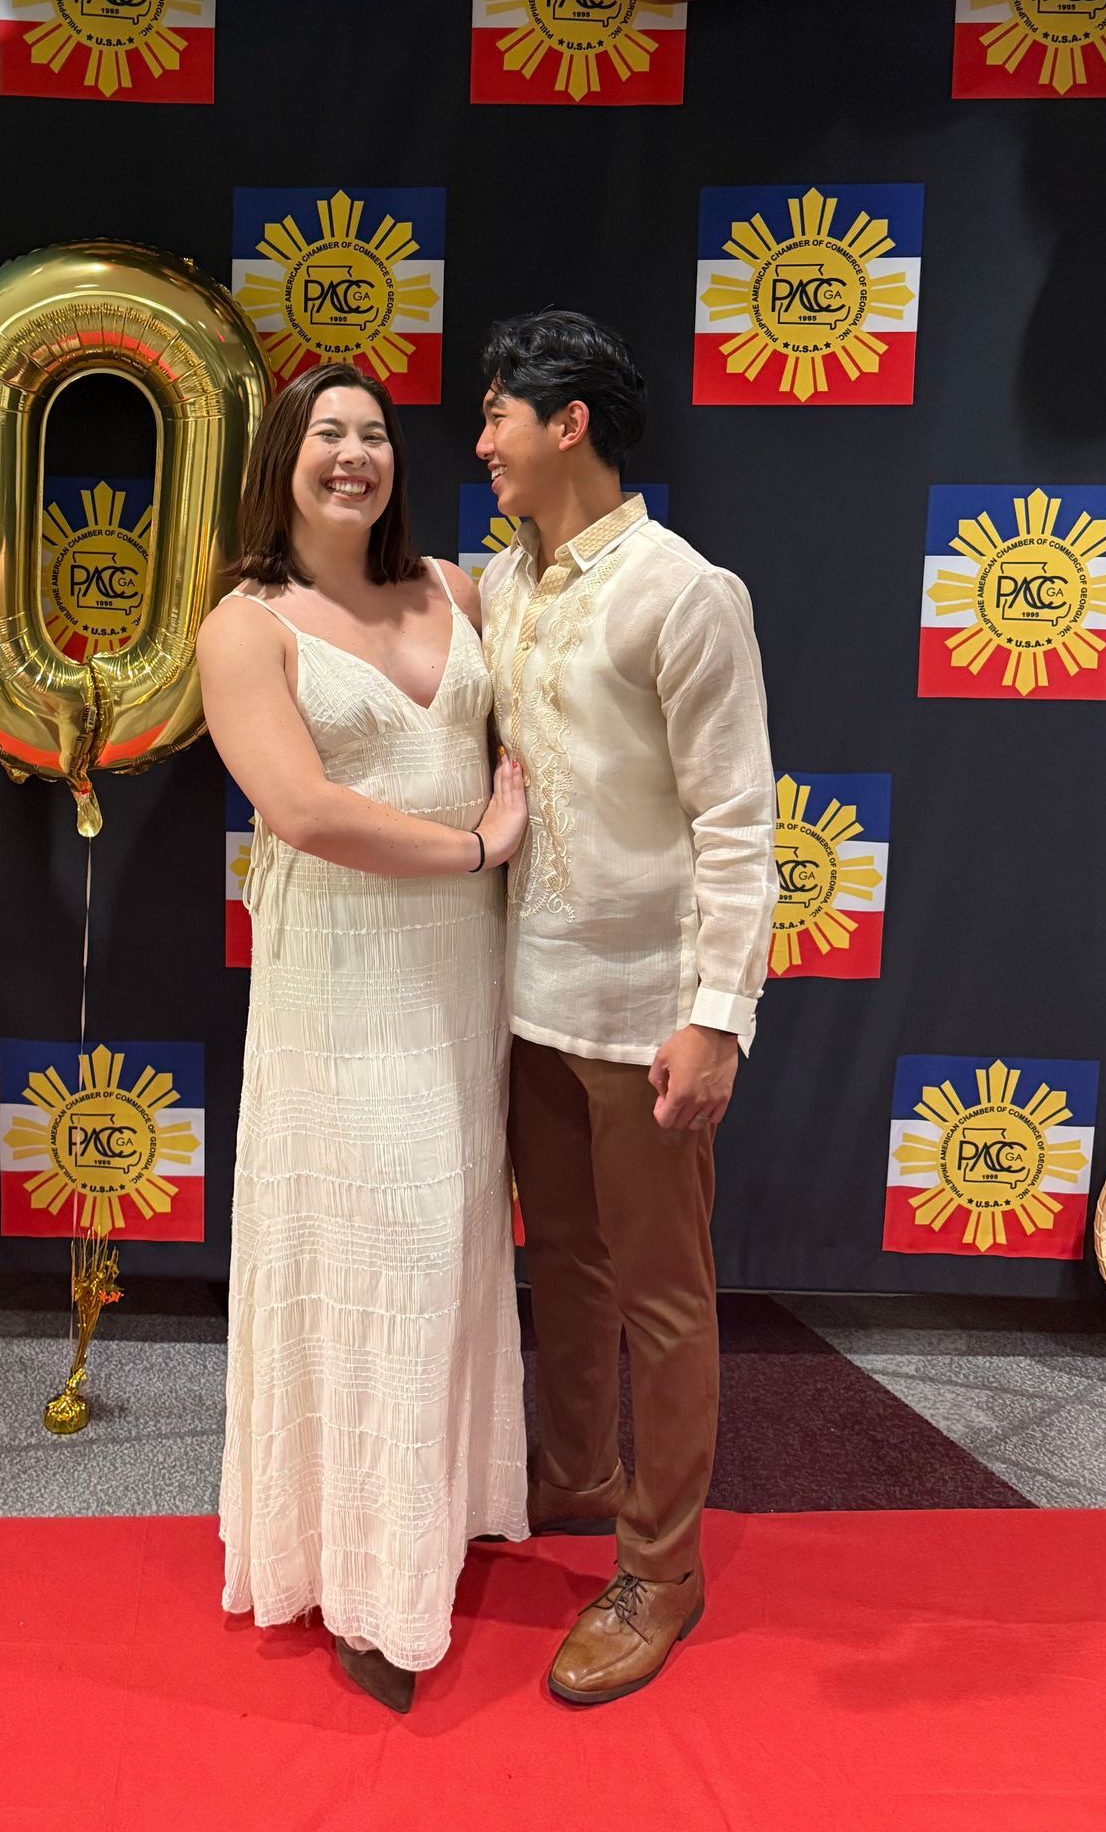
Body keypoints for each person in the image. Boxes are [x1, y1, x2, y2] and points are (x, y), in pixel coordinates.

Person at [199, 360, 529, 1713]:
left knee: (448, 1241)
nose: (354, 454)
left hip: (461, 980)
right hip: (343, 983)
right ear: (282, 457)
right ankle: (370, 1584)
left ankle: (435, 1520)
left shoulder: (457, 589)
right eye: (326, 433)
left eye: (375, 433)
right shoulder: (246, 625)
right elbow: (302, 810)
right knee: (367, 1243)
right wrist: (474, 844)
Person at [476, 309, 773, 1708]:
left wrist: (716, 1015)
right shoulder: (498, 582)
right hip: (526, 998)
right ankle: (577, 1478)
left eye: (498, 419)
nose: (481, 444)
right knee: (570, 1273)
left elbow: (737, 824)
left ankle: (665, 1567)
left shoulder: (682, 590)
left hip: (648, 1010)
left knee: (661, 1295)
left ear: (569, 423)